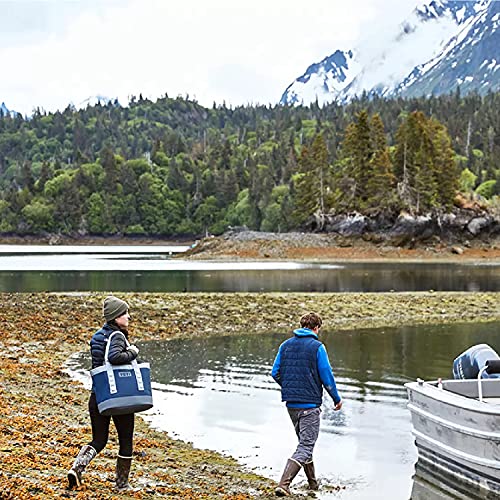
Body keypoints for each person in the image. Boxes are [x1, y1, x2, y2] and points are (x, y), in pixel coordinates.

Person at [67, 295, 140, 491]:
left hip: (99, 395)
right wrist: (133, 351)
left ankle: (76, 468)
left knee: (99, 440)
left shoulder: (98, 335)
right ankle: (122, 484)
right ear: (116, 317)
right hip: (118, 397)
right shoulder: (117, 336)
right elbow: (115, 357)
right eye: (125, 313)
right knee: (126, 440)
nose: (128, 317)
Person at [271, 312, 342, 496]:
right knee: (306, 445)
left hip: (291, 405)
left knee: (304, 444)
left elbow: (275, 372)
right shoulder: (317, 347)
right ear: (317, 328)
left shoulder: (285, 345)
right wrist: (336, 398)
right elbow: (326, 376)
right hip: (309, 405)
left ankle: (313, 484)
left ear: (301, 325)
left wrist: (290, 387)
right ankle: (284, 484)